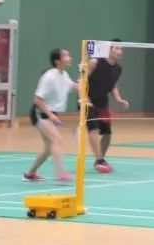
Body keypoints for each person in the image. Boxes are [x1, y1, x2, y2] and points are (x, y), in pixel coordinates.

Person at [23, 49, 80, 182]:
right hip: (40, 112)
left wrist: (84, 78)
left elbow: (75, 87)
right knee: (56, 139)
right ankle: (61, 174)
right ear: (57, 60)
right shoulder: (49, 77)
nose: (69, 58)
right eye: (66, 55)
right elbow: (37, 99)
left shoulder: (64, 74)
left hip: (50, 113)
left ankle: (30, 173)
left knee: (49, 148)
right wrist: (50, 115)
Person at [87, 40, 129, 173]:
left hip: (102, 102)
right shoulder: (95, 63)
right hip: (87, 100)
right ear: (109, 49)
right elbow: (81, 79)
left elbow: (113, 86)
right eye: (117, 48)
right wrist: (84, 98)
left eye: (121, 49)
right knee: (93, 129)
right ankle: (100, 160)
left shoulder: (118, 69)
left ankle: (100, 159)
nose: (120, 51)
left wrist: (119, 99)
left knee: (107, 134)